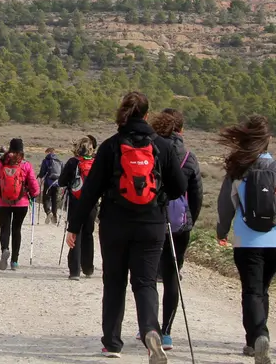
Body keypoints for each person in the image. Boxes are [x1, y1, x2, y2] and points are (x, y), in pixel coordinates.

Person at [67, 91, 187, 363]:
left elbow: (90, 192)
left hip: (115, 224)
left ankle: (112, 343)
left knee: (114, 282)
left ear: (123, 113)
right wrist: (160, 195)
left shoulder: (110, 146)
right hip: (152, 225)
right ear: (147, 115)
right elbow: (180, 187)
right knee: (145, 283)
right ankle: (150, 332)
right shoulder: (163, 147)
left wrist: (74, 226)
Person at [216, 115, 276, 364]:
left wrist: (222, 231)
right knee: (262, 290)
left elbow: (226, 207)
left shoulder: (237, 170)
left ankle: (257, 337)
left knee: (251, 292)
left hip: (246, 242)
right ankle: (256, 339)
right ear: (267, 142)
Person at [148, 108, 203, 351]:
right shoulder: (189, 156)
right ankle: (167, 332)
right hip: (180, 225)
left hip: (151, 221)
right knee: (172, 278)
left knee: (147, 277)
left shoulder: (150, 150)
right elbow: (197, 195)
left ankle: (149, 328)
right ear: (181, 129)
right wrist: (190, 219)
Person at [0, 138, 40, 271]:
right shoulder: (25, 165)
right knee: (16, 229)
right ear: (21, 150)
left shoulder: (0, 163)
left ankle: (5, 249)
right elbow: (34, 184)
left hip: (3, 202)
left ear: (9, 148)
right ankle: (15, 261)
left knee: (4, 228)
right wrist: (34, 194)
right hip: (21, 203)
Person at [59, 137, 97, 280]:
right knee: (88, 234)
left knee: (75, 233)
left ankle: (74, 271)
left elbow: (61, 181)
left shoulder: (72, 162)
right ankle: (88, 268)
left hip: (75, 203)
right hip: (92, 204)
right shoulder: (96, 162)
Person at [37, 147, 62, 224]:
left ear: (48, 152)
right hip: (57, 183)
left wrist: (39, 176)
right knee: (55, 200)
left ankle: (48, 212)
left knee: (46, 199)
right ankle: (54, 218)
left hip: (48, 183)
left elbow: (42, 172)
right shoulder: (59, 161)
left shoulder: (46, 161)